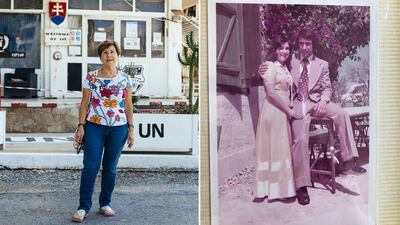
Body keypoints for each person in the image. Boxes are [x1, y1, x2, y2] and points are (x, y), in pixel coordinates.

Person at [259, 29, 366, 206]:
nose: (304, 47)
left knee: (341, 114)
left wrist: (324, 101)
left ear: (313, 45)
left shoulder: (322, 64)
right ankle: (301, 186)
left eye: (308, 44)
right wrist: (261, 67)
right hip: (297, 104)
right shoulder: (290, 60)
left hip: (316, 102)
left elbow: (327, 88)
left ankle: (348, 160)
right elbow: (273, 62)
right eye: (301, 43)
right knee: (300, 140)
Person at [72, 40, 134, 222]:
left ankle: (105, 203)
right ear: (100, 57)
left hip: (119, 128)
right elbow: (84, 103)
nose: (109, 55)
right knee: (90, 167)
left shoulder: (125, 78)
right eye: (105, 52)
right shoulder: (91, 77)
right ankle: (83, 207)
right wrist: (81, 125)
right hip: (94, 126)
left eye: (113, 52)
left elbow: (128, 105)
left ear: (118, 55)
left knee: (110, 168)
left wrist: (131, 129)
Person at [254, 35, 303, 202]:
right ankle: (274, 190)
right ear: (275, 50)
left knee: (281, 148)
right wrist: (288, 111)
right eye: (281, 48)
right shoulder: (269, 66)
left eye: (287, 48)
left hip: (282, 110)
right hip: (274, 110)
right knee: (276, 147)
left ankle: (281, 189)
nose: (284, 51)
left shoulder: (285, 68)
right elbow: (271, 93)